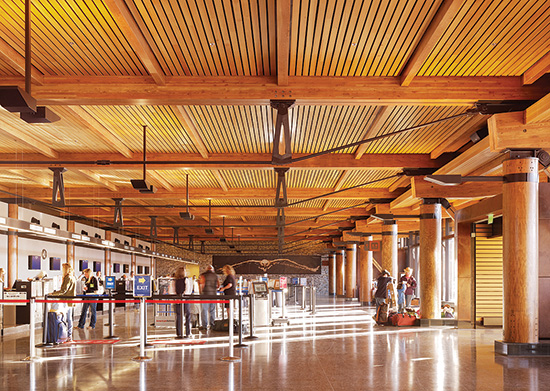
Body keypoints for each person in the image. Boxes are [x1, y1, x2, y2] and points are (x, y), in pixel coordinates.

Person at [49, 263, 76, 342]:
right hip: (71, 300)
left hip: (66, 300)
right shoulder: (73, 277)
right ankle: (69, 336)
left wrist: (53, 294)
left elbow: (64, 290)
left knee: (66, 319)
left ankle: (66, 336)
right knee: (69, 318)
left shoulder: (68, 278)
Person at [199, 265, 219, 330]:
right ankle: (212, 324)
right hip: (213, 295)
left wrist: (200, 293)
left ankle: (204, 325)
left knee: (204, 310)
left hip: (205, 294)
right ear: (212, 269)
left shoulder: (203, 275)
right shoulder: (216, 276)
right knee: (212, 310)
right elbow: (218, 285)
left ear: (207, 269)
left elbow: (201, 284)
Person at [174, 266, 192, 339]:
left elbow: (172, 291)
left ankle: (179, 333)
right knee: (187, 316)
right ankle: (188, 332)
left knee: (178, 316)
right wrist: (183, 297)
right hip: (185, 300)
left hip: (177, 300)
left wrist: (176, 298)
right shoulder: (186, 280)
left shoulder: (174, 280)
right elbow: (188, 290)